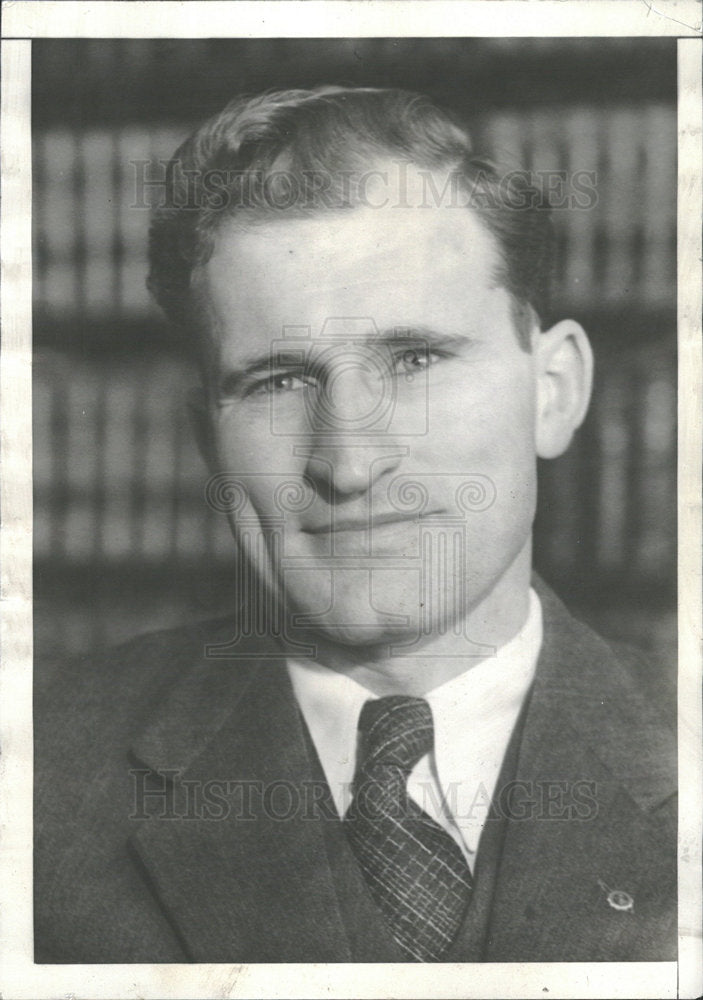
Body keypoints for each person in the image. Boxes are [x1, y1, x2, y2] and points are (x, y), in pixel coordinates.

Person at [34, 86, 676, 963]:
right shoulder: (33, 773)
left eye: (414, 359)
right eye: (278, 382)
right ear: (205, 442)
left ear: (553, 391)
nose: (347, 461)